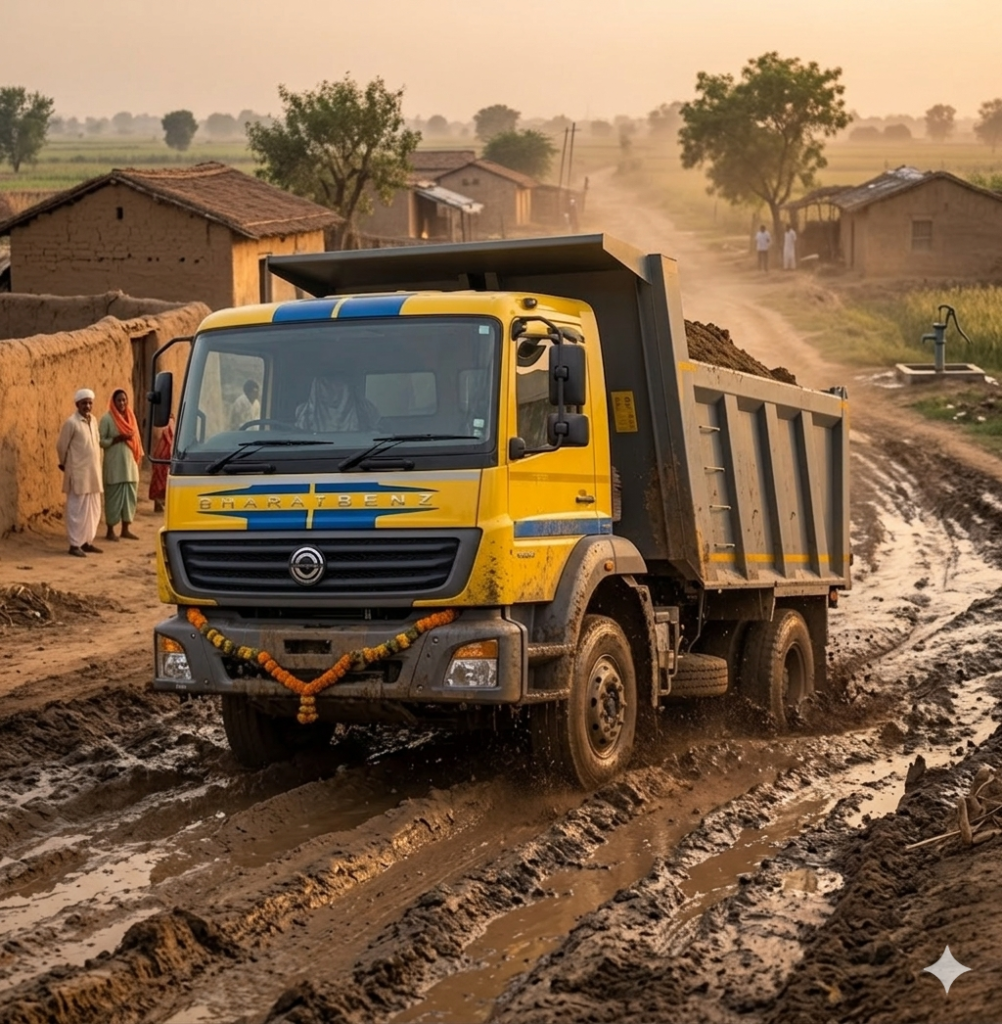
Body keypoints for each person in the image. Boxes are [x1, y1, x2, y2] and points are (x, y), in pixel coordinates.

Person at [56, 388, 104, 557]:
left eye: (90, 403)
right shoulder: (71, 423)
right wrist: (64, 463)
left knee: (93, 509)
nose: (87, 406)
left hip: (93, 473)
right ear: (77, 404)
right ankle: (74, 544)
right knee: (77, 510)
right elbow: (62, 446)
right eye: (84, 403)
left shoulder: (94, 421)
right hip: (78, 472)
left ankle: (87, 541)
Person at [100, 388, 143, 541]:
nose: (122, 403)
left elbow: (136, 440)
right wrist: (116, 439)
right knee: (113, 498)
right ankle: (110, 530)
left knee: (129, 499)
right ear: (114, 402)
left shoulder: (131, 418)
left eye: (124, 400)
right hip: (114, 467)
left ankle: (126, 529)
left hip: (130, 467)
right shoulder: (107, 419)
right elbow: (101, 441)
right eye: (119, 400)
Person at [295, 374, 380, 432]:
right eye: (325, 383)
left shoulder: (365, 410)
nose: (332, 389)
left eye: (337, 384)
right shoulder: (303, 412)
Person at [149, 415, 174, 514]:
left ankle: (159, 504)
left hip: (162, 458)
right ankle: (159, 504)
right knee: (161, 481)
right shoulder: (166, 428)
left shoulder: (164, 427)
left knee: (160, 481)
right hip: (163, 458)